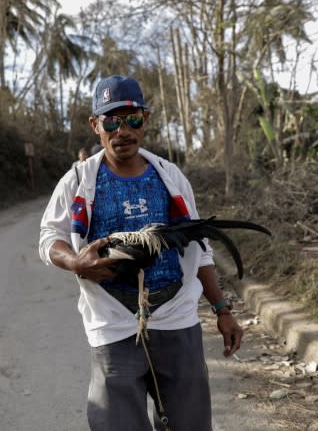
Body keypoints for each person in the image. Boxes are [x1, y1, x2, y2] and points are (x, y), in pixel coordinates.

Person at [39, 74, 243, 430]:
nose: (123, 131)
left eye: (132, 119)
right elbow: (48, 238)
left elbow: (200, 246)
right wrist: (75, 261)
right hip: (113, 321)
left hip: (176, 316)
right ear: (95, 125)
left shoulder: (169, 176)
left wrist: (222, 309)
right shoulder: (77, 180)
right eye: (111, 121)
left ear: (145, 120)